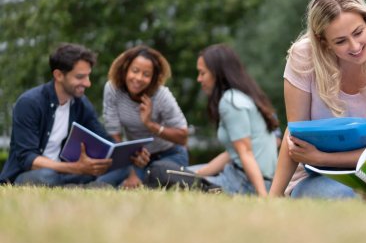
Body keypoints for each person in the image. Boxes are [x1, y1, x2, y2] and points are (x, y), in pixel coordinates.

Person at [268, 0, 366, 199]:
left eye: (358, 32)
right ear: (324, 42)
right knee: (345, 197)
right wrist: (273, 198)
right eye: (340, 41)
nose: (355, 46)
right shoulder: (304, 56)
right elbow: (294, 136)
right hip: (310, 176)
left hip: (364, 172)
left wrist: (322, 157)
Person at [0, 43, 115, 186]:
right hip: (27, 175)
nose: (88, 83)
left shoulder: (81, 104)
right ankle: (76, 187)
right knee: (47, 176)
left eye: (88, 76)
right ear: (59, 75)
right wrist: (76, 168)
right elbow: (28, 159)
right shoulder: (29, 103)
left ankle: (76, 185)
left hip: (65, 173)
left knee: (97, 174)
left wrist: (130, 154)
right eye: (80, 77)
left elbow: (102, 139)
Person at [176, 43, 278, 196]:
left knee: (163, 173)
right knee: (182, 173)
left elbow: (245, 152)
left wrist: (264, 196)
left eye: (202, 73)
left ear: (217, 73)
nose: (199, 79)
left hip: (243, 182)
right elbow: (233, 153)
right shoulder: (244, 97)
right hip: (251, 177)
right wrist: (198, 174)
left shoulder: (230, 102)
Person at [95, 45, 189, 188]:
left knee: (154, 179)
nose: (139, 78)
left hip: (170, 155)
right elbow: (114, 133)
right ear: (126, 68)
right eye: (135, 71)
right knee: (103, 182)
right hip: (136, 158)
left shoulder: (162, 95)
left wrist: (150, 124)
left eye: (146, 74)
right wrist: (131, 169)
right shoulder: (113, 89)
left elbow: (183, 136)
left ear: (153, 78)